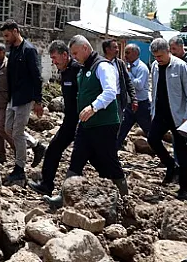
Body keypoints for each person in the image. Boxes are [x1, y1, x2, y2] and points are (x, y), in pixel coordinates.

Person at [44, 35, 129, 206]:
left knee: (109, 159)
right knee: (76, 159)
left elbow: (110, 92)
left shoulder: (103, 66)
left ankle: (124, 197)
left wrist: (93, 107)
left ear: (85, 48)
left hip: (104, 123)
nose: (73, 57)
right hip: (86, 124)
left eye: (75, 53)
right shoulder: (83, 69)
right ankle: (63, 197)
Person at [28, 40, 82, 196]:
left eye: (55, 58)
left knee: (87, 156)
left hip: (82, 121)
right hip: (69, 120)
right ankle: (46, 185)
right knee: (53, 149)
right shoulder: (63, 71)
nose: (53, 62)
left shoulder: (77, 70)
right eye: (51, 59)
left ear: (65, 55)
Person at [0, 20, 47, 184]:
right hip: (13, 97)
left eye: (7, 35)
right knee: (7, 128)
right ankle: (36, 146)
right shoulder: (13, 49)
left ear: (15, 31)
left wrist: (38, 101)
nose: (5, 39)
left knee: (18, 132)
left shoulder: (29, 50)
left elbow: (37, 76)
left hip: (25, 97)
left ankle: (19, 169)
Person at [148, 38, 187, 201]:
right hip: (160, 114)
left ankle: (185, 188)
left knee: (181, 151)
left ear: (168, 51)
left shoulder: (180, 66)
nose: (157, 59)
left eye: (160, 56)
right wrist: (153, 112)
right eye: (155, 57)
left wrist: (186, 117)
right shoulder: (154, 67)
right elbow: (155, 90)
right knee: (152, 139)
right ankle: (171, 165)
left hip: (178, 115)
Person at [115, 43, 152, 150]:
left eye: (127, 52)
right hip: (129, 104)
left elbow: (139, 85)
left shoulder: (142, 68)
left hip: (141, 105)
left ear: (135, 53)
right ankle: (112, 156)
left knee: (150, 133)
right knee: (121, 131)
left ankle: (164, 157)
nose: (125, 55)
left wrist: (128, 75)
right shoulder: (127, 67)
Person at [102, 39, 137, 122]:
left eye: (117, 47)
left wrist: (134, 99)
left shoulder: (120, 64)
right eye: (115, 47)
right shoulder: (99, 63)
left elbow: (128, 82)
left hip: (117, 99)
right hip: (103, 100)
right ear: (107, 49)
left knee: (118, 123)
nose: (117, 50)